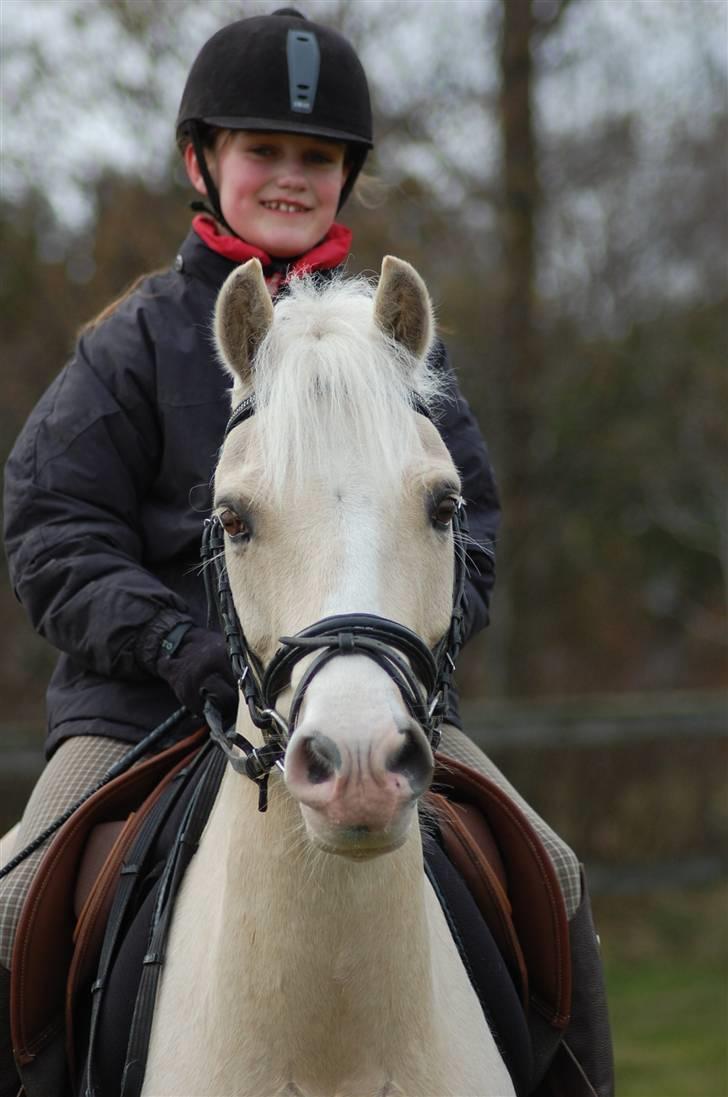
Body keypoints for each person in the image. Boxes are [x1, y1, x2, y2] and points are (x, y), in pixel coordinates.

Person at [1, 9, 610, 1096]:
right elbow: (53, 532)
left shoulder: (399, 352)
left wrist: (403, 656)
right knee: (11, 899)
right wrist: (182, 645)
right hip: (137, 709)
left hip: (367, 696)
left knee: (553, 872)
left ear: (346, 176)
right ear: (203, 161)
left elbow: (463, 528)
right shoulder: (132, 344)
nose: (289, 177)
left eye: (316, 158)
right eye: (262, 151)